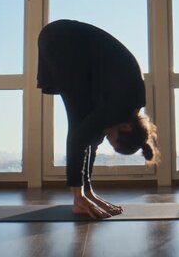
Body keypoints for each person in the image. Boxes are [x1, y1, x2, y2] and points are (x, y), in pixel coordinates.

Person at [37, 19, 159, 219]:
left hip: (74, 48)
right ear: (126, 128)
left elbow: (92, 138)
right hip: (63, 40)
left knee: (87, 130)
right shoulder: (119, 106)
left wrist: (89, 190)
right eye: (113, 140)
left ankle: (86, 193)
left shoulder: (128, 108)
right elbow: (78, 138)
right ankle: (78, 199)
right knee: (79, 126)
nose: (106, 136)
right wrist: (78, 194)